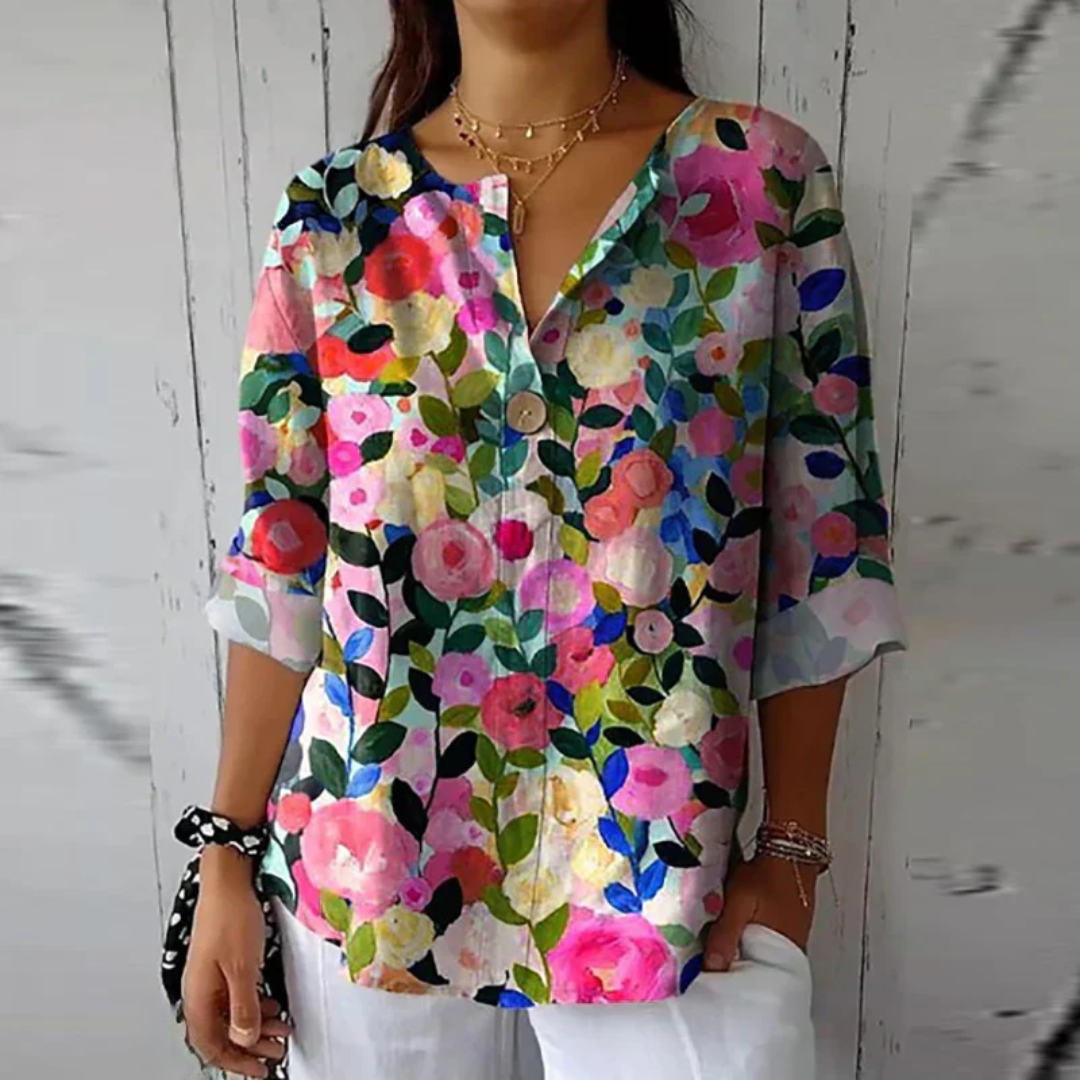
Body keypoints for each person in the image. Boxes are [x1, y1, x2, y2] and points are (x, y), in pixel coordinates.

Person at [171, 2, 908, 1078]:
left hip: (674, 882)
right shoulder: (333, 218)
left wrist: (793, 850)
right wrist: (229, 858)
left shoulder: (758, 184)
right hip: (369, 865)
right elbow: (281, 553)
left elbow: (823, 537)